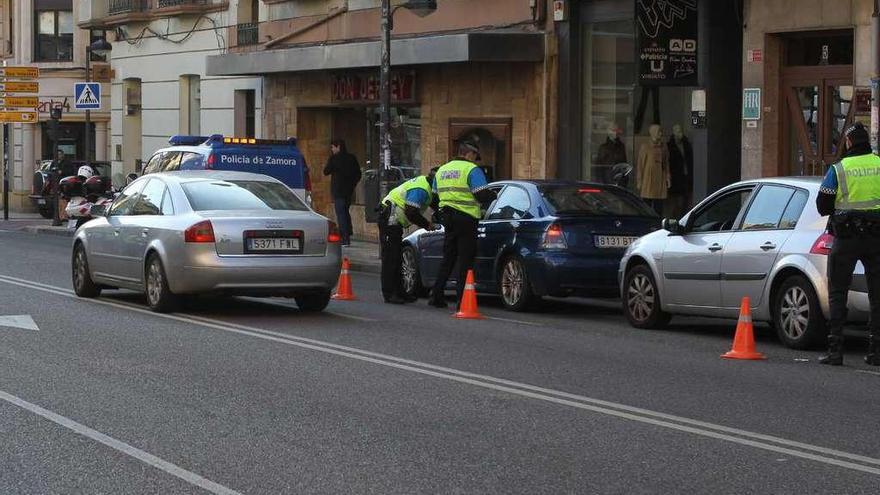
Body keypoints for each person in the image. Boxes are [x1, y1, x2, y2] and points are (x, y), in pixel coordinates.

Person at [816, 122, 880, 366]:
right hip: (876, 238)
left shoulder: (839, 169)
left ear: (850, 142)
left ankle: (835, 351)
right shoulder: (879, 164)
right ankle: (875, 351)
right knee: (877, 294)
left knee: (838, 292)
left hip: (846, 237)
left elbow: (823, 206)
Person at [428, 141, 497, 309]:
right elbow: (480, 195)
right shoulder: (472, 170)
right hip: (466, 219)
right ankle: (462, 300)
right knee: (466, 260)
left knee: (448, 257)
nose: (476, 160)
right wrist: (494, 195)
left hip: (448, 218)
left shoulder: (442, 170)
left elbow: (435, 198)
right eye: (475, 156)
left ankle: (436, 295)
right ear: (469, 154)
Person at [378, 168, 439, 304]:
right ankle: (389, 294)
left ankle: (400, 292)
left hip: (394, 221)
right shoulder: (421, 189)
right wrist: (427, 224)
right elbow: (411, 212)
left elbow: (436, 204)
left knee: (397, 257)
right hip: (389, 218)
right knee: (390, 258)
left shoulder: (427, 187)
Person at [323, 139, 361, 246]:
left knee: (341, 214)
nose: (332, 150)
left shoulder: (334, 159)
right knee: (345, 212)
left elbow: (326, 171)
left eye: (333, 147)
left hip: (338, 191)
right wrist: (352, 184)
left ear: (338, 147)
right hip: (348, 191)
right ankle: (348, 233)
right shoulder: (352, 158)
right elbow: (358, 174)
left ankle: (345, 238)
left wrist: (332, 163)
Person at [53, 150, 75, 224]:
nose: (59, 156)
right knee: (58, 201)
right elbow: (51, 171)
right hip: (56, 184)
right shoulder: (54, 163)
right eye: (57, 154)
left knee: (64, 200)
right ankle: (59, 215)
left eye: (60, 154)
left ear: (63, 155)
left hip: (64, 184)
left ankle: (64, 216)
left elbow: (71, 171)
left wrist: (62, 172)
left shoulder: (67, 163)